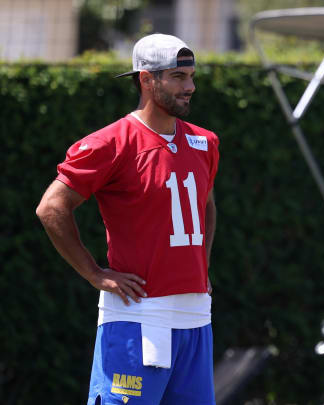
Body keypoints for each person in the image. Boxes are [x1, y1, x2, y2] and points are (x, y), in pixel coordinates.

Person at [35, 33, 219, 405]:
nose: (191, 87)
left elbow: (207, 206)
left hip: (196, 319)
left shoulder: (205, 142)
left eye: (192, 76)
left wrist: (202, 267)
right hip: (138, 320)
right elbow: (51, 207)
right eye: (179, 77)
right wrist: (94, 272)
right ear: (147, 79)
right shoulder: (110, 143)